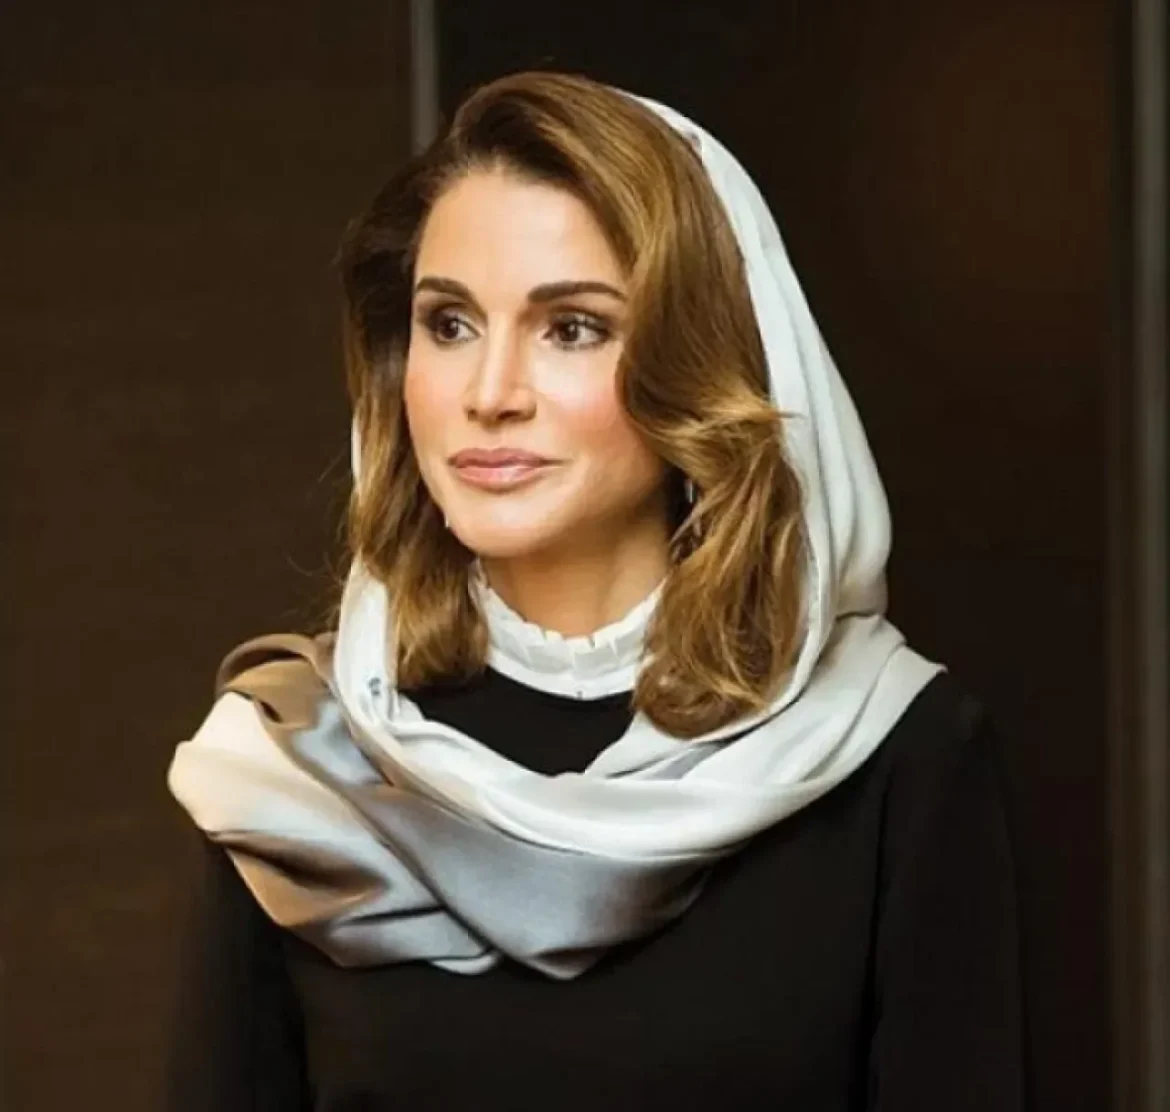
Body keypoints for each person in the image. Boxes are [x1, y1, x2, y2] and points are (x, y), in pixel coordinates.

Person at [164, 70, 1026, 1110]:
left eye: (571, 327)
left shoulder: (895, 754)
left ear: (697, 366)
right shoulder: (296, 764)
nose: (490, 394)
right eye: (450, 323)